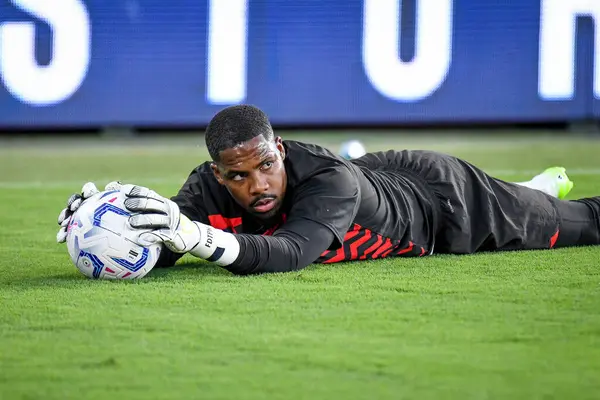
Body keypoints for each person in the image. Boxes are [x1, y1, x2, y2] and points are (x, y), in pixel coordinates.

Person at [56, 105, 599, 276]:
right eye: (238, 176)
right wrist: (109, 224)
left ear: (280, 152)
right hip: (379, 179)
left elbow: (291, 252)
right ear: (218, 175)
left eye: (266, 165)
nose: (257, 185)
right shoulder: (207, 187)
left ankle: (531, 196)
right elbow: (166, 240)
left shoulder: (326, 180)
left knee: (582, 224)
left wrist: (195, 237)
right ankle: (532, 190)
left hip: (446, 203)